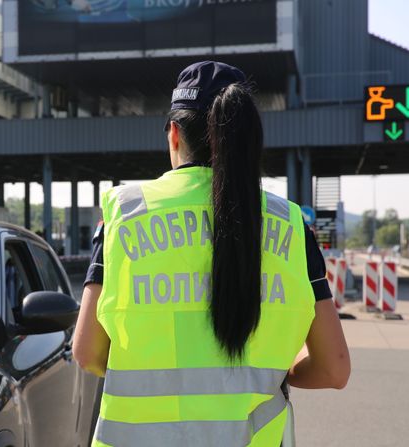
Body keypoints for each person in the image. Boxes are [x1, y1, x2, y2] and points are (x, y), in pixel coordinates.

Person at [73, 61, 350, 447]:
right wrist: (276, 374)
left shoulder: (125, 214)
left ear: (173, 135)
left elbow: (87, 353)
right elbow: (334, 370)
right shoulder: (289, 225)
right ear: (247, 138)